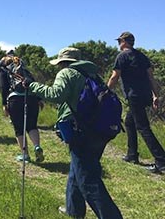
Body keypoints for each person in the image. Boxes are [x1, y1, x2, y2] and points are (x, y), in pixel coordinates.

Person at [26, 47, 122, 219]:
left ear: (63, 62)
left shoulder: (67, 73)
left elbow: (56, 95)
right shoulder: (92, 74)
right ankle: (73, 210)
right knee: (77, 169)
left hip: (81, 130)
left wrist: (32, 85)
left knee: (87, 179)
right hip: (99, 129)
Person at [107, 31, 165, 174]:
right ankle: (132, 155)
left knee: (143, 128)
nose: (119, 44)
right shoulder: (142, 56)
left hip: (134, 97)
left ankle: (161, 160)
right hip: (144, 95)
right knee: (129, 122)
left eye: (119, 41)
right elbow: (151, 77)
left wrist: (105, 92)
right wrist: (155, 95)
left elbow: (114, 77)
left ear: (124, 42)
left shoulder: (122, 56)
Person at [0, 55, 44, 163]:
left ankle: (25, 155)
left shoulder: (4, 71)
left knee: (19, 128)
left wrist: (4, 104)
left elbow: (4, 87)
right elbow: (33, 83)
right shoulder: (24, 69)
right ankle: (37, 146)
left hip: (15, 100)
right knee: (32, 126)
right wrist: (39, 99)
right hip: (31, 98)